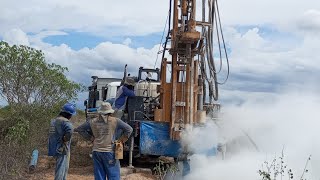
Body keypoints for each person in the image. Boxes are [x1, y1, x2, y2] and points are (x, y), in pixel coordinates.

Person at [90, 102, 133, 180]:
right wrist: (121, 140)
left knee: (99, 175)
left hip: (96, 151)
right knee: (113, 175)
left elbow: (81, 129)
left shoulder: (93, 121)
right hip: (110, 151)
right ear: (110, 112)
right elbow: (129, 129)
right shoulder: (115, 121)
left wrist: (90, 138)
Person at [48, 103, 76, 180]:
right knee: (61, 168)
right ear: (68, 114)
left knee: (60, 167)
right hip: (62, 148)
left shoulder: (53, 121)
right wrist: (65, 139)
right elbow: (70, 131)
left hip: (54, 147)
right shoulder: (65, 122)